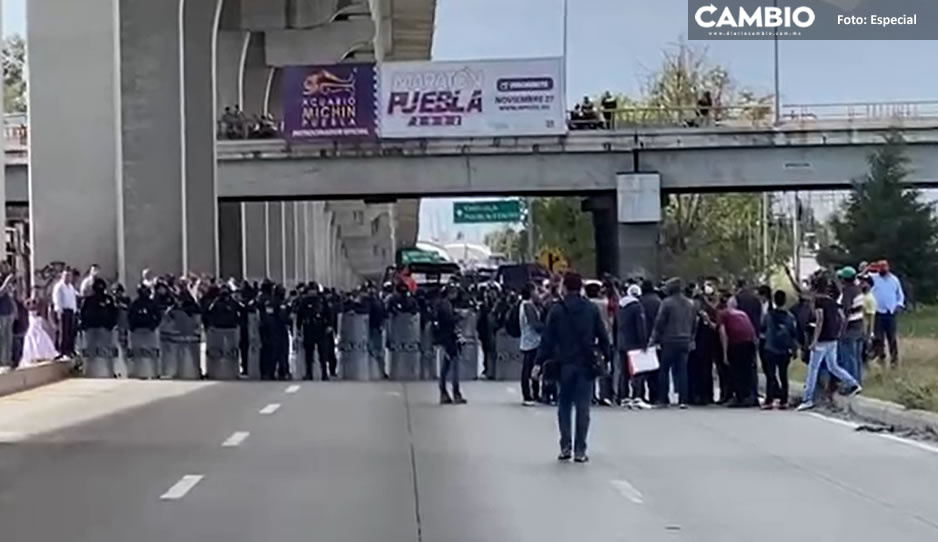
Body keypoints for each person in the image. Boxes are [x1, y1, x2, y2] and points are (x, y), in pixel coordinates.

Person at [537, 272, 610, 463]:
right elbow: (602, 336)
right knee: (583, 408)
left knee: (564, 406)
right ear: (581, 288)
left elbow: (547, 339)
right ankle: (580, 450)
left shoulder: (557, 310)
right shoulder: (591, 309)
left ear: (565, 287)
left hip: (563, 365)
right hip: (586, 364)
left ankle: (565, 446)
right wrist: (607, 357)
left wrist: (538, 363)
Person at [797, 276, 862, 411]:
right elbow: (843, 317)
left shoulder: (818, 302)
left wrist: (814, 340)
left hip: (822, 339)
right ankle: (853, 383)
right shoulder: (833, 302)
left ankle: (807, 398)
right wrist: (838, 331)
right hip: (833, 338)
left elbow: (819, 320)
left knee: (813, 369)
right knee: (833, 366)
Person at [649, 278, 696, 409]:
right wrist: (691, 337)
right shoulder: (689, 303)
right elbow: (694, 323)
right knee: (682, 371)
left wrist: (653, 339)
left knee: (664, 370)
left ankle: (663, 399)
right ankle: (683, 399)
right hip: (685, 340)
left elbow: (659, 323)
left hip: (669, 340)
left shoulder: (667, 303)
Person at [718, 296, 759, 407]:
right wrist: (755, 345)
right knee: (747, 370)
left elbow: (723, 333)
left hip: (736, 343)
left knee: (736, 371)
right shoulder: (742, 314)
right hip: (748, 343)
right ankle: (749, 396)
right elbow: (751, 329)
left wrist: (725, 353)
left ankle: (739, 397)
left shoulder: (724, 314)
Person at [760, 290, 798, 409]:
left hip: (770, 348)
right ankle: (784, 401)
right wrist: (794, 350)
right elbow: (793, 334)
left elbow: (762, 329)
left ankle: (769, 401)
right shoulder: (790, 317)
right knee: (783, 375)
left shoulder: (768, 316)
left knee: (771, 375)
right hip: (784, 350)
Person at [615, 283, 649, 408]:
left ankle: (623, 396)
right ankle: (637, 396)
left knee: (624, 371)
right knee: (637, 371)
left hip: (621, 342)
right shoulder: (637, 307)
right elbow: (641, 326)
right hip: (634, 343)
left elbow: (615, 325)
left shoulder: (620, 306)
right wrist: (644, 343)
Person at [870, 261, 904, 367]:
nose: (882, 269)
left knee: (892, 337)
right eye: (880, 267)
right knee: (878, 337)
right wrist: (869, 267)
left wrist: (899, 305)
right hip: (878, 312)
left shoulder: (894, 280)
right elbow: (859, 277)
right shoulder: (873, 278)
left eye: (884, 267)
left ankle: (894, 359)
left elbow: (900, 294)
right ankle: (881, 358)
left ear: (888, 267)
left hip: (890, 312)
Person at [435, 285, 466, 405]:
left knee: (446, 366)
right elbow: (449, 320)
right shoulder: (445, 305)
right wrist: (459, 317)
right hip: (449, 338)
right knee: (454, 367)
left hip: (446, 338)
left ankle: (444, 392)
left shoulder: (442, 304)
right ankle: (455, 393)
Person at [837, 266, 865, 384]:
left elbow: (845, 313)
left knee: (848, 357)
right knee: (856, 358)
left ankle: (850, 384)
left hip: (849, 328)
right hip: (859, 326)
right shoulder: (858, 290)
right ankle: (858, 381)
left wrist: (841, 331)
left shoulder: (848, 292)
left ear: (845, 279)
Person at [519, 282, 544, 406]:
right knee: (529, 369)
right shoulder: (528, 306)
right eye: (536, 291)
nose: (538, 294)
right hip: (531, 341)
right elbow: (535, 324)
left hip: (530, 340)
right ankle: (528, 395)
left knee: (532, 368)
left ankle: (534, 393)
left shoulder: (527, 305)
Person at [19, 297, 59, 367]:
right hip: (32, 331)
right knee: (33, 343)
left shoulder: (38, 315)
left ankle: (42, 356)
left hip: (38, 330)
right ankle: (35, 357)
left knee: (41, 341)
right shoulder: (29, 314)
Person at [52, 269, 79, 359]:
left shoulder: (71, 287)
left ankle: (70, 349)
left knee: (71, 332)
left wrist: (75, 310)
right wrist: (59, 312)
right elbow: (57, 300)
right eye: (66, 276)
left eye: (69, 276)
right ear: (62, 276)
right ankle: (62, 350)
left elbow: (73, 299)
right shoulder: (59, 287)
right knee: (63, 332)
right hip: (63, 311)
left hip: (71, 311)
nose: (68, 278)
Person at [0, 272, 17, 371]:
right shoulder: (3, 284)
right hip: (1, 315)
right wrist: (6, 282)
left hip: (8, 314)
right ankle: (2, 362)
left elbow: (10, 297)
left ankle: (8, 360)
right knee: (2, 339)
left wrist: (14, 312)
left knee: (9, 339)